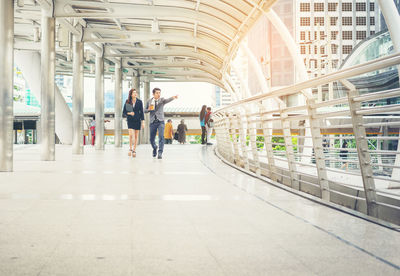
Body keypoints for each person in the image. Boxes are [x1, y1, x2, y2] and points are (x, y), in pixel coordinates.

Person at [145, 88, 178, 159]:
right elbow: (144, 110)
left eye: (159, 93)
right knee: (151, 139)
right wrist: (148, 109)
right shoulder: (149, 101)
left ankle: (160, 153)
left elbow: (167, 100)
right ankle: (154, 147)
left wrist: (173, 97)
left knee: (161, 137)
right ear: (153, 94)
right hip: (152, 121)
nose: (158, 94)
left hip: (161, 122)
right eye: (157, 93)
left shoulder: (162, 100)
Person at [123, 88, 144, 157]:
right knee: (131, 135)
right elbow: (124, 112)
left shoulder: (140, 102)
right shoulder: (128, 101)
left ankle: (134, 149)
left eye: (136, 92)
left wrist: (143, 121)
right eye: (134, 93)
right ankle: (130, 148)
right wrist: (129, 113)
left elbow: (142, 112)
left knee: (136, 136)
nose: (135, 94)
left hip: (137, 120)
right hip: (130, 120)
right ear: (131, 94)